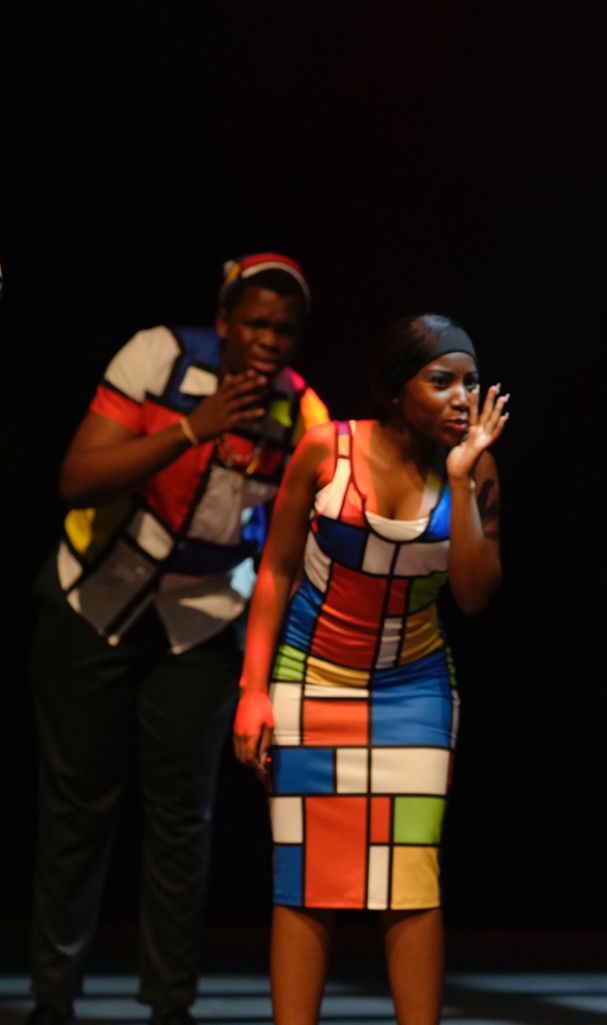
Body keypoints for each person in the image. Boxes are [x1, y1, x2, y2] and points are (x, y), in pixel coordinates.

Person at [25, 253, 327, 1025]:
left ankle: (170, 1004)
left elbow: (293, 550)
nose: (270, 340)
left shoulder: (303, 414)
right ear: (224, 321)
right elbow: (77, 479)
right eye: (255, 323)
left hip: (204, 619)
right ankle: (53, 999)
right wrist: (194, 427)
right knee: (78, 807)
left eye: (285, 329)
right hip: (95, 598)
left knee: (183, 816)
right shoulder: (158, 356)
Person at [233, 313, 507, 1025]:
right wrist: (253, 691)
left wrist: (462, 482)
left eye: (471, 381)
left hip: (413, 689)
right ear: (394, 388)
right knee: (306, 874)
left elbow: (473, 595)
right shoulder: (327, 450)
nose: (461, 397)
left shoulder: (474, 469)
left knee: (409, 874)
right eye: (441, 380)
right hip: (311, 680)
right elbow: (276, 571)